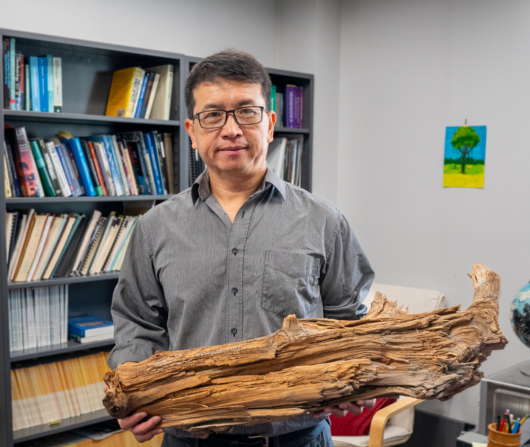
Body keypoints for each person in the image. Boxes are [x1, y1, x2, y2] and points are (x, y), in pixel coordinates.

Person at [106, 50, 376, 447]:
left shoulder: (325, 222)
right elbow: (137, 324)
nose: (230, 129)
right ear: (191, 131)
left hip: (296, 438)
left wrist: (350, 378)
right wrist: (133, 389)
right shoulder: (154, 228)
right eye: (212, 115)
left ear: (269, 125)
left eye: (246, 112)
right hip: (190, 438)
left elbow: (348, 320)